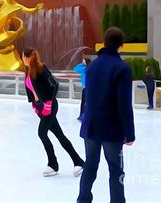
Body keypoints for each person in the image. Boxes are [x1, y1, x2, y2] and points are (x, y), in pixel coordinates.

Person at [78, 27, 135, 203]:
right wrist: (129, 132)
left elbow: (89, 95)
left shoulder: (92, 66)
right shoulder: (121, 68)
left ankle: (83, 200)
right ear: (122, 46)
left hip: (91, 126)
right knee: (116, 170)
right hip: (112, 128)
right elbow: (124, 104)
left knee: (90, 166)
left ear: (104, 43)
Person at [22, 48, 84, 177]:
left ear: (27, 57)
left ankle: (52, 163)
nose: (22, 59)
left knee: (42, 133)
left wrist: (48, 104)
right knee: (60, 136)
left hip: (49, 107)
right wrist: (34, 104)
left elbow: (54, 85)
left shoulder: (41, 69)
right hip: (40, 107)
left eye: (23, 56)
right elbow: (32, 90)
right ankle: (78, 161)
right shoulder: (27, 70)